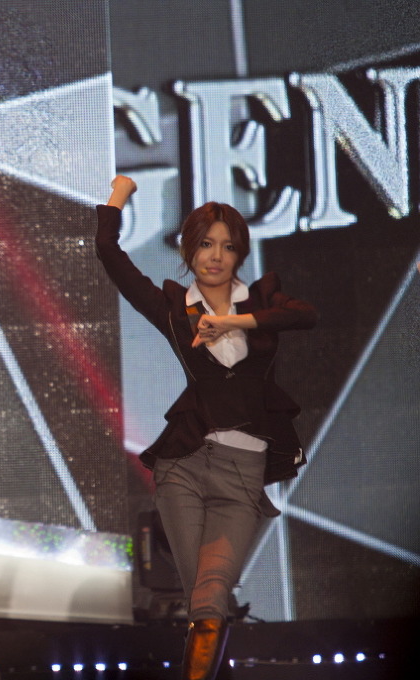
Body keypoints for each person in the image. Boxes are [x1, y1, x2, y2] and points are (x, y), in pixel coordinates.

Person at [96, 176, 317, 680]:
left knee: (212, 599)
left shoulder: (261, 300)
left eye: (227, 246)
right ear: (188, 250)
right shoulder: (176, 309)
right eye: (205, 244)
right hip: (185, 465)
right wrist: (118, 196)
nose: (215, 256)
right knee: (204, 602)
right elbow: (109, 253)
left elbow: (306, 316)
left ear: (240, 253)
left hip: (242, 471)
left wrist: (234, 323)